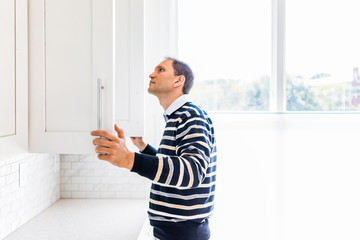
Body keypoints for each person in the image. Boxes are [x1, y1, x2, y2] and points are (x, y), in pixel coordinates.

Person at [91, 57, 217, 240]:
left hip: (183, 232)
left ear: (178, 80)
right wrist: (142, 147)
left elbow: (192, 172)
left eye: (160, 70)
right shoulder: (178, 117)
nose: (151, 74)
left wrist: (129, 159)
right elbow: (175, 168)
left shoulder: (190, 115)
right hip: (178, 229)